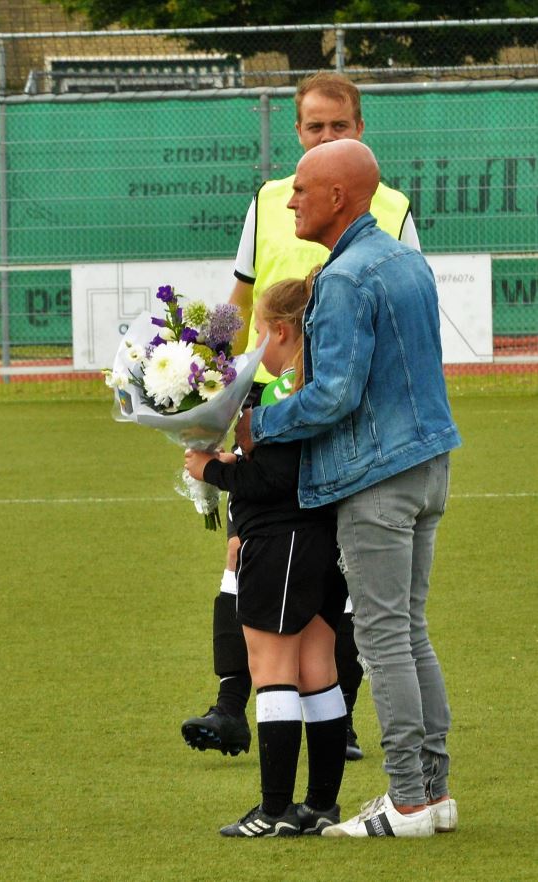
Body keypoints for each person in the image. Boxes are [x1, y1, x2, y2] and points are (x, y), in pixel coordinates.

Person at [182, 72, 419, 761]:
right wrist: (202, 373)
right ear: (295, 132)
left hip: (340, 403)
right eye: (313, 127)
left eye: (337, 126)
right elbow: (238, 297)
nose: (324, 137)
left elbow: (403, 307)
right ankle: (230, 702)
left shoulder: (391, 207)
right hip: (267, 402)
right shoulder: (267, 200)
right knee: (242, 550)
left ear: (359, 128)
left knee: (339, 556)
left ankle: (335, 714)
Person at [237, 138, 461, 838]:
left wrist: (256, 423)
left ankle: (406, 800)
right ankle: (432, 791)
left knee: (383, 638)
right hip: (428, 465)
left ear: (338, 198)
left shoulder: (342, 279)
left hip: (376, 478)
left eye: (302, 189)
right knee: (408, 630)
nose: (290, 198)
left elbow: (332, 395)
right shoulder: (404, 260)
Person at [186, 274, 349, 837]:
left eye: (259, 330)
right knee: (316, 672)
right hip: (324, 542)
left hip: (281, 543)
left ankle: (275, 812)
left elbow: (276, 478)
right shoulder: (324, 382)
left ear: (282, 331)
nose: (255, 342)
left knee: (274, 671)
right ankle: (321, 807)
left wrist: (209, 469)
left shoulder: (285, 392)